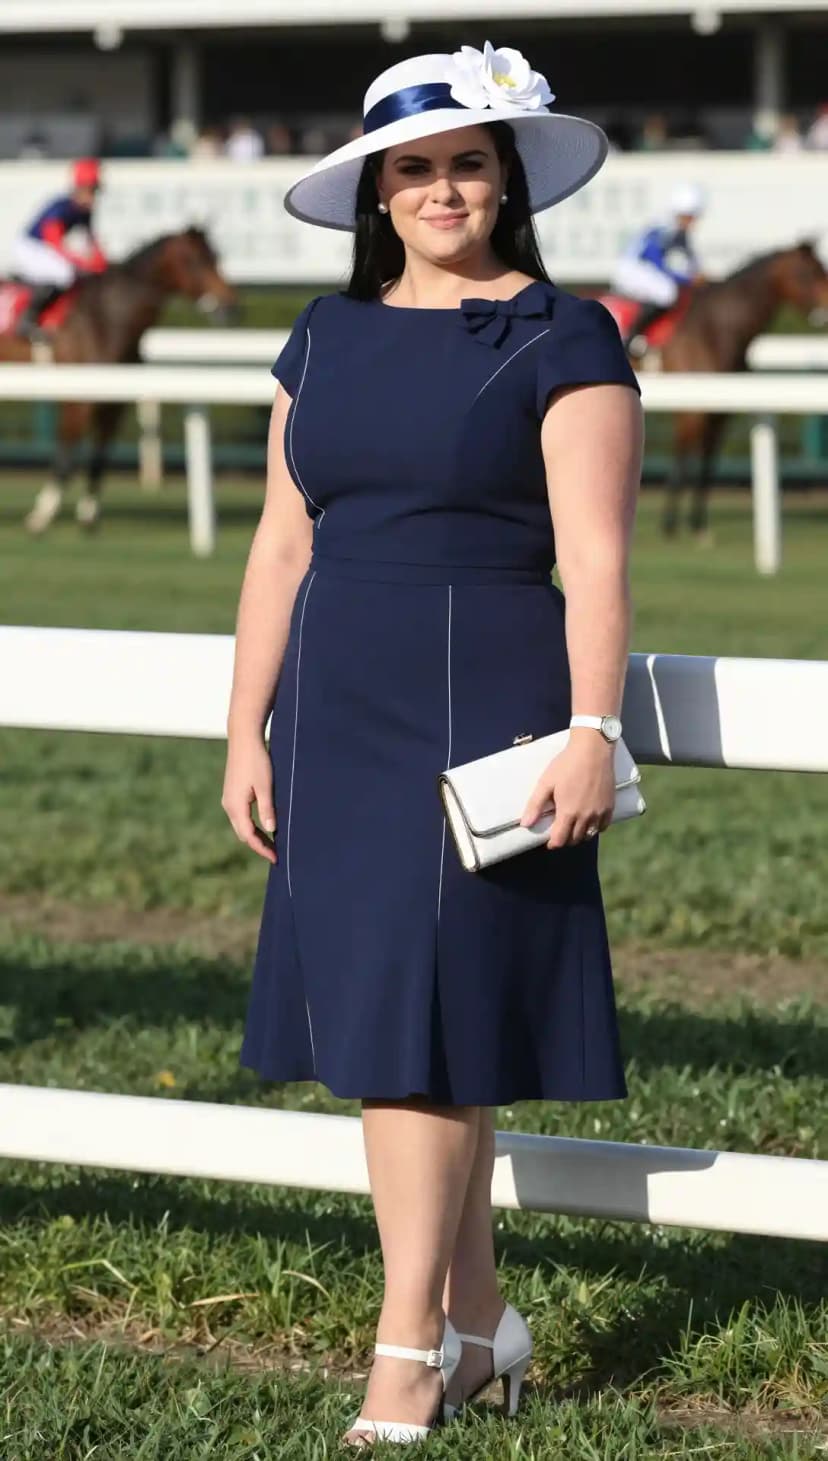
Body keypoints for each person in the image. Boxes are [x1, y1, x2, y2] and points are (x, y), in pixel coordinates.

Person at [222, 41, 642, 1446]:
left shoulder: (567, 334)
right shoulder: (321, 336)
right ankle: (479, 1326)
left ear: (508, 182)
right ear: (378, 193)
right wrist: (245, 729)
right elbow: (281, 544)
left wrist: (591, 730)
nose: (444, 189)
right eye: (416, 168)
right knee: (403, 1030)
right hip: (334, 709)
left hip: (490, 703)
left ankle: (405, 1355)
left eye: (470, 163)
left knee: (422, 1030)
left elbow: (597, 557)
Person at [11, 157, 107, 339]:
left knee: (78, 275)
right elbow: (53, 241)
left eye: (95, 191)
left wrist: (102, 263)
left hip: (47, 249)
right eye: (91, 190)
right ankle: (27, 321)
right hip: (30, 246)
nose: (93, 196)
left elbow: (92, 242)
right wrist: (81, 262)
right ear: (79, 189)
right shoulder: (62, 207)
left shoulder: (85, 212)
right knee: (63, 273)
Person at [611, 181, 706, 355]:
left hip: (644, 268)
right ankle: (631, 337)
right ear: (679, 212)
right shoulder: (663, 228)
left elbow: (691, 259)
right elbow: (657, 262)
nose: (692, 222)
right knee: (667, 292)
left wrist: (698, 275)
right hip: (633, 269)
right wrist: (687, 278)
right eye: (689, 216)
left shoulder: (678, 230)